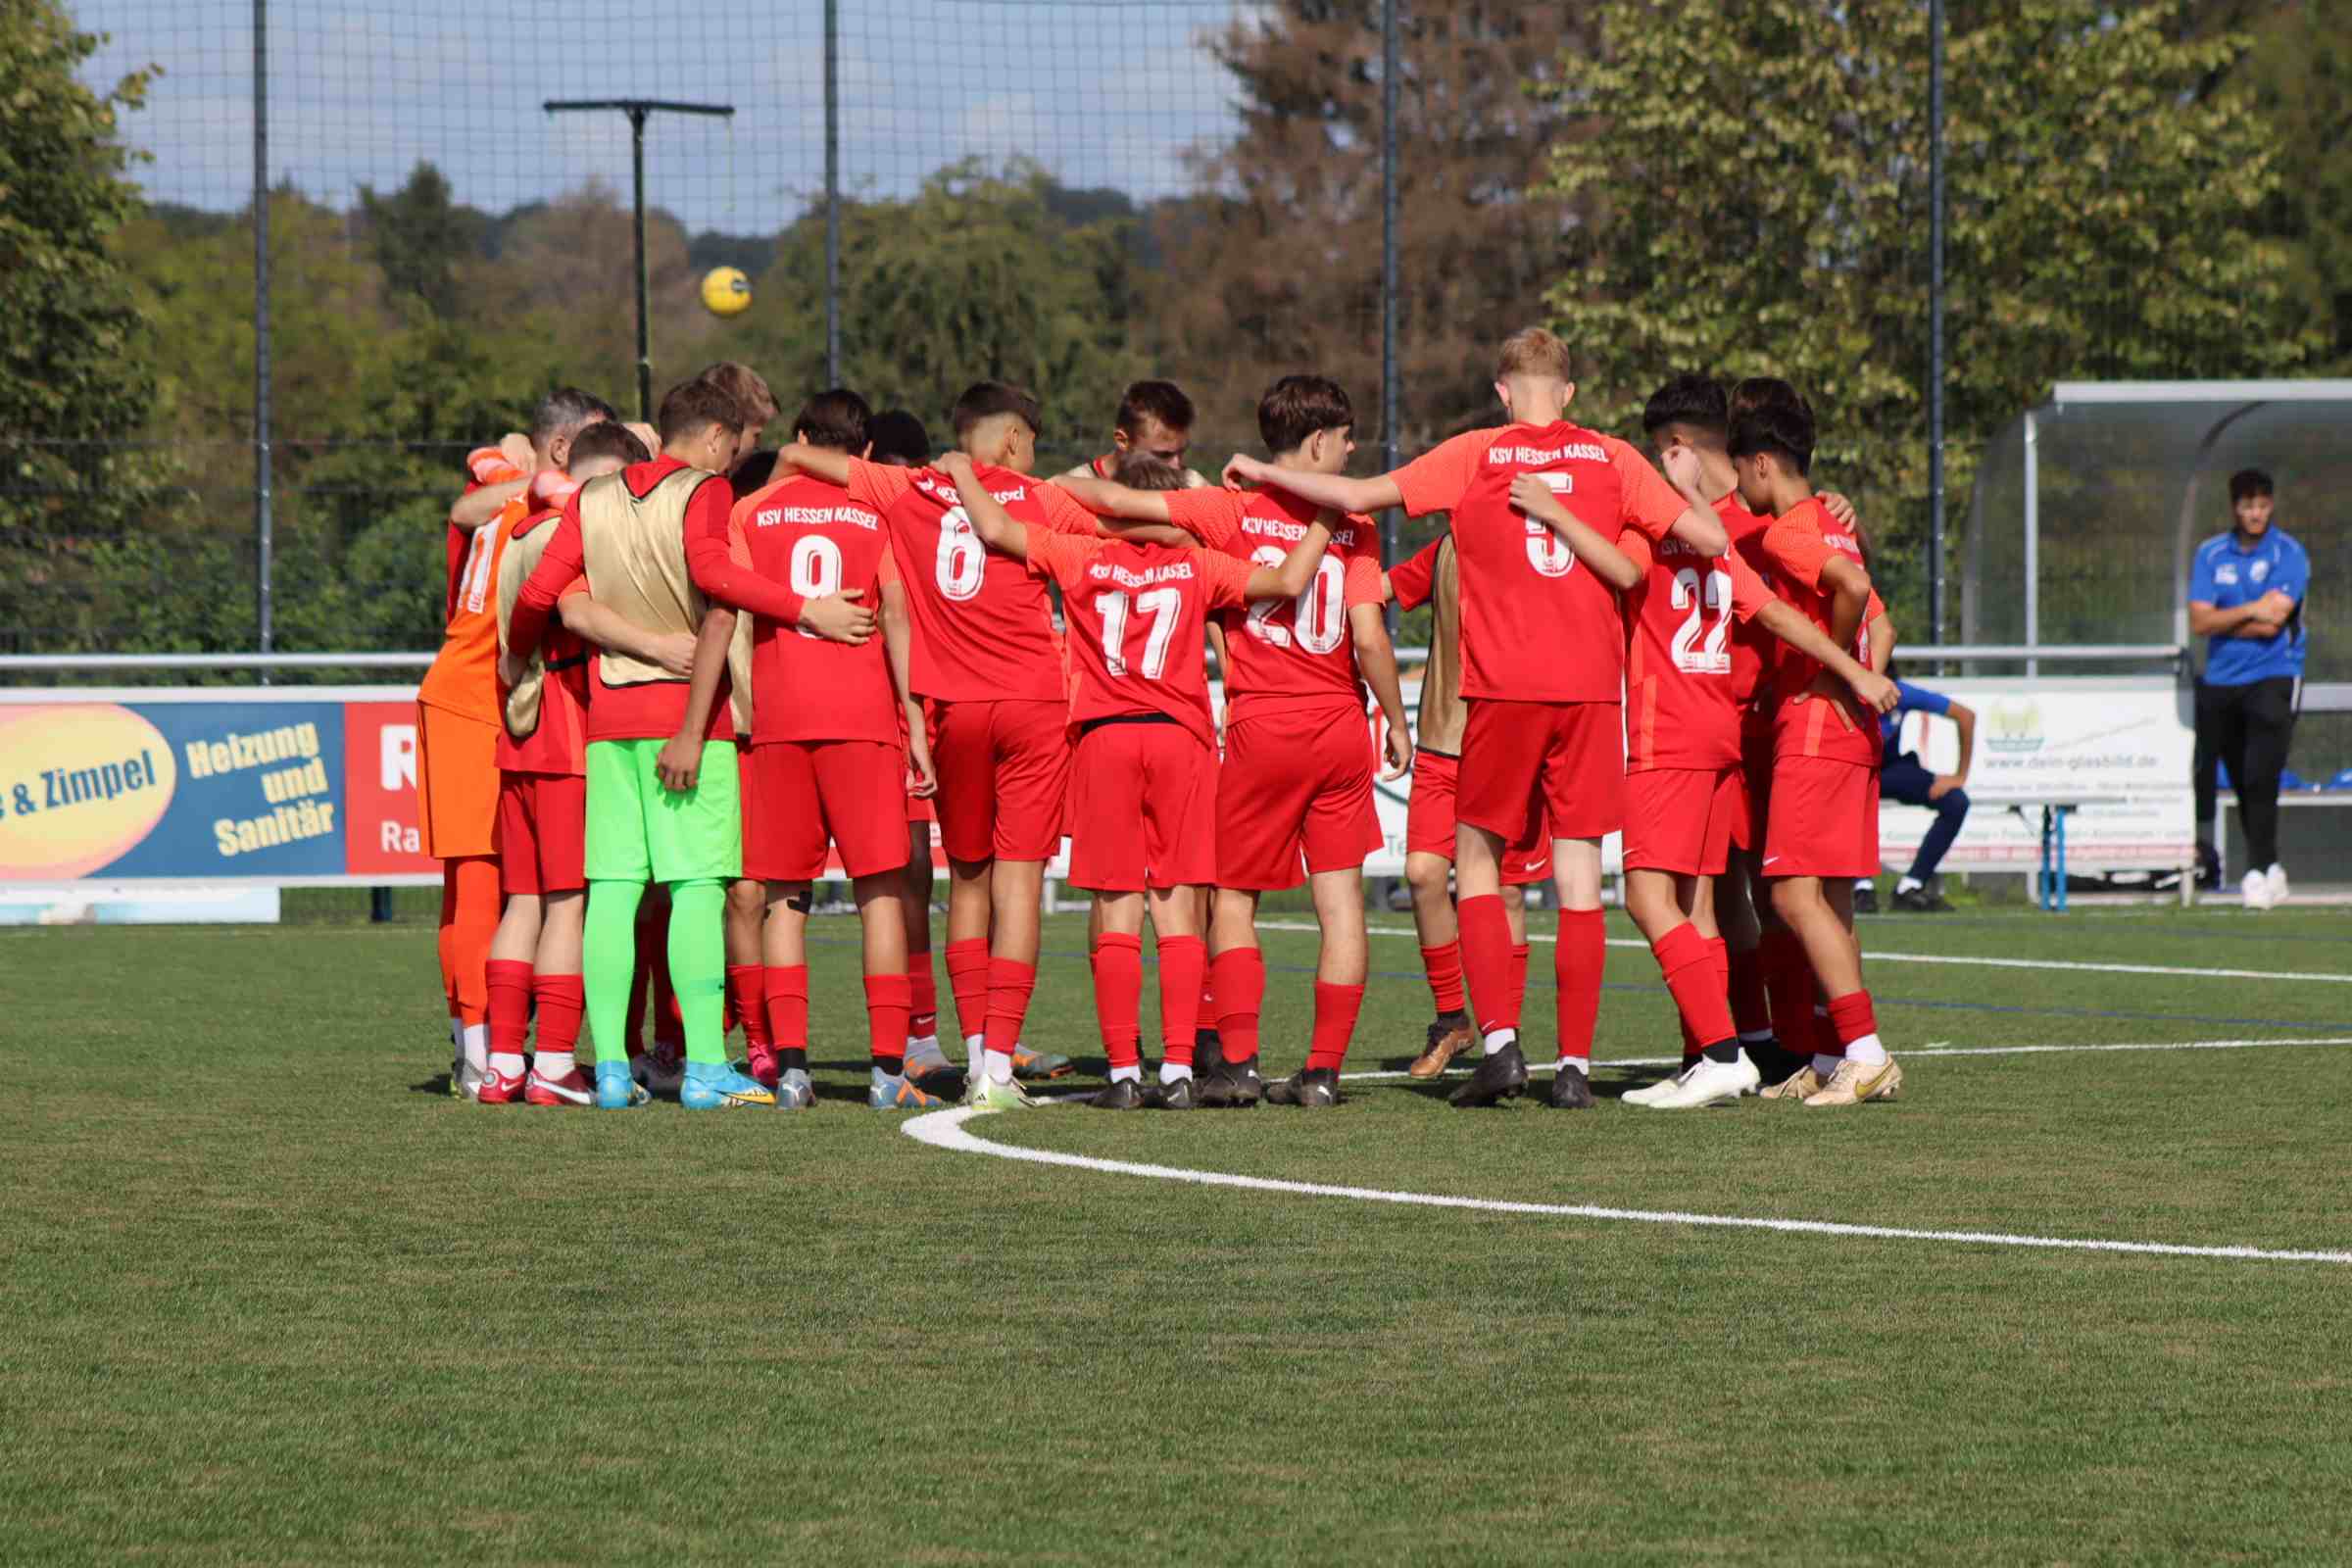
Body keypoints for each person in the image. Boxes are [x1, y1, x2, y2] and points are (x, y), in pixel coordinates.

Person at [1222, 327, 1732, 1111]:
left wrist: (1256, 468)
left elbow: (1358, 496)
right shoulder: (1612, 457)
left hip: (1503, 695)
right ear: (1567, 393)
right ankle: (1574, 1068)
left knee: (1475, 861)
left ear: (1501, 391)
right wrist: (1667, 491)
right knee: (1580, 878)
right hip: (1593, 696)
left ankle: (1498, 1043)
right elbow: (1708, 537)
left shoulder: (1478, 453)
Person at [505, 380, 872, 1110]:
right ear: (712, 438)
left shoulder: (594, 496)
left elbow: (540, 593)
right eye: (733, 449)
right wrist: (809, 610)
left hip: (611, 725)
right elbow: (713, 581)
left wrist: (516, 661)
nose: (732, 463)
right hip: (687, 724)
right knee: (697, 890)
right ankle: (707, 1066)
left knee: (612, 892)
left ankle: (609, 1069)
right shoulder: (701, 491)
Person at [938, 450, 1338, 1108]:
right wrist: (1326, 514)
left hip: (1105, 739)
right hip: (1179, 740)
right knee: (1177, 909)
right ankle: (1178, 1071)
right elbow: (1289, 581)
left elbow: (995, 530)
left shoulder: (1077, 553)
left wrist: (959, 473)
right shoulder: (1200, 563)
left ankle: (1124, 1074)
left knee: (1115, 910)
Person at [1061, 375, 1414, 1107]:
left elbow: (1114, 501)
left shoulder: (1227, 510)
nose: (1351, 451)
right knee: (1342, 903)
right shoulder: (1355, 526)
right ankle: (1321, 1072)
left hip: (1261, 723)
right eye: (1347, 439)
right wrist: (1395, 719)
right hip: (1339, 725)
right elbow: (1371, 636)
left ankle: (1241, 1063)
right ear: (1319, 441)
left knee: (1231, 900)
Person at [770, 383, 1116, 1109]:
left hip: (954, 710)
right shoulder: (1040, 498)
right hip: (1032, 704)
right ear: (1016, 439)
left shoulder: (905, 486)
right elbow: (1123, 524)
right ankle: (998, 1073)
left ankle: (973, 1055)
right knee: (1019, 881)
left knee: (967, 882)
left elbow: (799, 454)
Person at [1581, 378, 1895, 1111]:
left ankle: (1802, 1044)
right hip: (1744, 723)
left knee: (1773, 894)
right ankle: (1765, 1045)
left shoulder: (1757, 523)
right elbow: (1867, 606)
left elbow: (1846, 589)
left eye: (1662, 449)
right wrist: (1851, 667)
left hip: (1748, 727)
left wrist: (1832, 671)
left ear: (1680, 448)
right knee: (1736, 894)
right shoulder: (1751, 518)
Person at [730, 388, 940, 1110]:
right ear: (868, 453)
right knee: (881, 893)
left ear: (796, 436)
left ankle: (791, 1069)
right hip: (863, 721)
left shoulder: (749, 510)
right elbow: (901, 619)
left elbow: (728, 603)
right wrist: (914, 723)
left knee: (785, 900)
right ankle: (887, 1074)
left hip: (779, 721)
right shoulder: (877, 510)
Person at [424, 387, 613, 1099]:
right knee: (480, 886)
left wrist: (502, 459)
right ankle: (479, 1053)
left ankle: (486, 1049)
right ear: (564, 452)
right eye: (597, 445)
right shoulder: (543, 505)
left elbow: (473, 494)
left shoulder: (503, 488)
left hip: (479, 697)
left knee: (501, 888)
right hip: (477, 698)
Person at [480, 420, 674, 1105]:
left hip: (520, 735)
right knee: (570, 905)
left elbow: (512, 632)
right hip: (566, 734)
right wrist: (660, 647)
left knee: (522, 903)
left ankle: (503, 1063)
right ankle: (555, 1066)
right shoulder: (578, 532)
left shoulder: (521, 532)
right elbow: (561, 609)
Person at [1730, 382, 1901, 1107]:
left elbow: (1854, 589)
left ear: (1762, 462)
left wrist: (1838, 675)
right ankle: (1836, 1055)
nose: (1739, 486)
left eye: (1741, 470)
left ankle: (1865, 1051)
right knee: (1833, 900)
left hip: (1818, 731)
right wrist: (1864, 675)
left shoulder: (1790, 530)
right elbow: (1883, 622)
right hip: (1853, 734)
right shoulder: (1836, 525)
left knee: (1792, 894)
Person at [1386, 532, 1551, 1082]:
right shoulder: (1448, 547)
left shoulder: (1540, 548)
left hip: (1511, 746)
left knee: (1505, 892)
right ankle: (1453, 1019)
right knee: (1422, 874)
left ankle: (1507, 1039)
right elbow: (1384, 588)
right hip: (1441, 745)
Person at [865, 410, 962, 1087]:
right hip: (877, 711)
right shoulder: (861, 516)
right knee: (890, 876)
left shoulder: (930, 517)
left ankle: (925, 1035)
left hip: (924, 706)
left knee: (918, 872)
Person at [2189, 467, 2309, 909]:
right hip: (2222, 679)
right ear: (2234, 507)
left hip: (2274, 674)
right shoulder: (2210, 554)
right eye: (2246, 505)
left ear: (2270, 506)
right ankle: (2271, 864)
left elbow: (2273, 621)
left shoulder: (2289, 553)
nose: (2255, 513)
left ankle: (2256, 871)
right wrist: (2248, 610)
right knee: (2239, 777)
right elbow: (2200, 621)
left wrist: (2226, 620)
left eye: (2261, 505)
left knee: (2262, 772)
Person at [1855, 675, 1974, 913]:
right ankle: (1861, 887)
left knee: (1955, 802)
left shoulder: (1899, 691)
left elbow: (1966, 716)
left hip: (1890, 770)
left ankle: (1911, 886)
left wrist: (1959, 776)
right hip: (1853, 769)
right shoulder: (1845, 688)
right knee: (1848, 796)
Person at [1058, 379, 1212, 489]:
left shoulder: (1193, 486)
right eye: (1163, 455)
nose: (1177, 465)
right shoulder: (1074, 488)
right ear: (1122, 441)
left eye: (1181, 452)